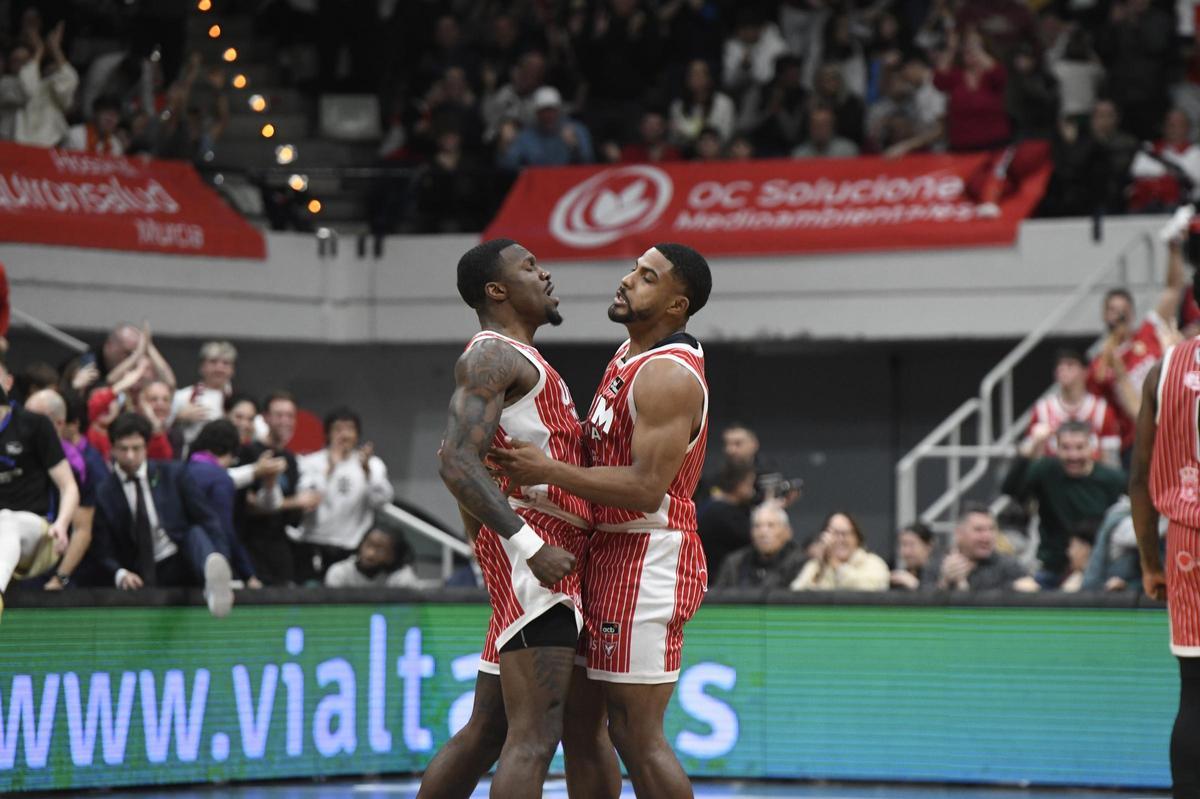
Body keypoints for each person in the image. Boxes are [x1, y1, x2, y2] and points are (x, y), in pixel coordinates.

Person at [491, 242, 713, 799]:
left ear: (675, 305)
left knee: (636, 735)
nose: (627, 280)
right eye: (633, 269)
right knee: (580, 729)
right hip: (603, 555)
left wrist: (549, 469)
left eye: (646, 277)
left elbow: (643, 489)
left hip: (648, 556)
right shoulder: (628, 353)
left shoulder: (668, 375)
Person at [418, 239, 591, 799]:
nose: (545, 274)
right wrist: (526, 546)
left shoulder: (524, 358)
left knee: (487, 732)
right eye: (530, 267)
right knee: (535, 740)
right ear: (497, 290)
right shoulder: (491, 354)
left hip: (534, 558)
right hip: (539, 563)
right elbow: (455, 461)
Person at [1128, 297, 1200, 797]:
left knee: (1195, 695)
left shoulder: (1165, 368)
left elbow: (1138, 480)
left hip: (1186, 544)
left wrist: (1150, 564)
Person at [88, 413, 234, 617]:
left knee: (195, 533)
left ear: (146, 448)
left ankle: (215, 579)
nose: (130, 455)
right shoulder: (104, 491)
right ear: (112, 448)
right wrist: (120, 574)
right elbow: (102, 549)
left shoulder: (173, 474)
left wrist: (223, 559)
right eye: (123, 449)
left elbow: (207, 519)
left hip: (181, 559)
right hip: (140, 572)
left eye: (136, 448)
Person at [1088, 216, 1188, 454]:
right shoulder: (1100, 363)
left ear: (1132, 312)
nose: (1119, 315)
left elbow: (1173, 288)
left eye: (1124, 310)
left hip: (1176, 429)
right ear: (1104, 315)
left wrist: (1173, 248)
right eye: (1113, 310)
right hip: (1138, 444)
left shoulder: (1149, 331)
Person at [1002, 420, 1127, 588]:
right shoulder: (1046, 470)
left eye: (1079, 447)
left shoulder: (1112, 479)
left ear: (1092, 447)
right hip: (1052, 567)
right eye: (1066, 448)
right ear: (1057, 449)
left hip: (1100, 569)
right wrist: (1031, 447)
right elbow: (1010, 489)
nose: (1073, 455)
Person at [0, 374, 79, 618]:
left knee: (6, 519)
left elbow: (69, 487)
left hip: (39, 537)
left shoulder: (35, 426)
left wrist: (63, 524)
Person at [293, 407, 392, 581]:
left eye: (350, 429)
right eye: (338, 429)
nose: (344, 435)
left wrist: (367, 471)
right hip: (313, 543)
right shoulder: (310, 462)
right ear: (327, 434)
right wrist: (329, 469)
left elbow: (382, 501)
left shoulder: (373, 464)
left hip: (351, 545)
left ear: (357, 434)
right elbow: (306, 501)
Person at [23, 389, 93, 590]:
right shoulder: (13, 454)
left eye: (34, 420)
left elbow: (82, 530)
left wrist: (60, 578)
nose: (24, 425)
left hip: (57, 568)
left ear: (58, 424)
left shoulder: (78, 465)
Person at [241, 391, 312, 585]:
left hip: (280, 549)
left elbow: (293, 516)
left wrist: (304, 505)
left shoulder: (291, 459)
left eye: (290, 416)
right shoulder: (248, 452)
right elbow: (247, 505)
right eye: (279, 415)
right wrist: (295, 502)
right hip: (249, 548)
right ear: (265, 418)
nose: (285, 421)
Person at [186, 419, 262, 589]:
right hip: (211, 564)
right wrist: (248, 574)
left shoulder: (181, 472)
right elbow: (223, 529)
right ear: (230, 451)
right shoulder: (220, 478)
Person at [1023, 349, 1121, 466]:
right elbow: (1026, 455)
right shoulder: (1042, 409)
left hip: (1090, 480)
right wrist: (1036, 442)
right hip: (1054, 479)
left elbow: (1111, 461)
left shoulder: (1101, 410)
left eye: (1070, 365)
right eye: (1059, 366)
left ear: (1085, 371)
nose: (1063, 370)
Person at [922, 504, 1038, 592]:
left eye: (991, 529)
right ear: (959, 533)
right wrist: (944, 583)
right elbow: (922, 609)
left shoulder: (1008, 566)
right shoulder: (938, 565)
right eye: (979, 530)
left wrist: (1011, 589)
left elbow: (1030, 588)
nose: (987, 537)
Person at [715, 502, 806, 589]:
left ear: (787, 532)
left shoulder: (801, 564)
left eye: (771, 526)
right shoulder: (735, 563)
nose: (763, 533)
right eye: (757, 526)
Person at [790, 511, 889, 591]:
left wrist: (835, 563)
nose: (840, 540)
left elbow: (870, 591)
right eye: (834, 534)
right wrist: (820, 568)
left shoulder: (873, 563)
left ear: (857, 537)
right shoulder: (815, 566)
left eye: (845, 534)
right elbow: (797, 593)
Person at [171, 340, 238, 451]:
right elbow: (161, 429)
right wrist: (178, 418)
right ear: (202, 367)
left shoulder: (239, 401)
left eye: (226, 363)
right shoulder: (183, 396)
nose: (219, 368)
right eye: (213, 362)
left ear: (232, 370)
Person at [697, 460, 756, 577]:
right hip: (717, 580)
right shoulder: (723, 514)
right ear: (739, 484)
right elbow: (753, 539)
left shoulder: (712, 505)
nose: (753, 490)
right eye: (750, 484)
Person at [324, 526, 421, 588]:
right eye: (368, 545)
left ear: (393, 555)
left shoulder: (402, 577)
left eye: (380, 550)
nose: (370, 553)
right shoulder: (340, 572)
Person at [890, 521, 934, 590]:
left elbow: (941, 595)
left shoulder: (941, 574)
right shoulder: (899, 580)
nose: (907, 552)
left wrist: (915, 585)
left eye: (912, 544)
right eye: (904, 545)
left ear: (928, 546)